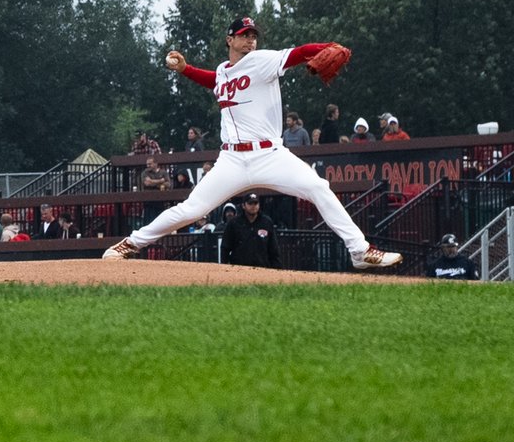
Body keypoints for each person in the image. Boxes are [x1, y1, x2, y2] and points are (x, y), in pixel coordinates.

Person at [105, 16, 403, 269]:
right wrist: (185, 69)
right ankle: (130, 243)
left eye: (253, 36)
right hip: (232, 160)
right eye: (244, 35)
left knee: (318, 187)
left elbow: (299, 53)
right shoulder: (224, 71)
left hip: (270, 155)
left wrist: (326, 47)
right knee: (191, 210)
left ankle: (360, 251)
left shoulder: (262, 61)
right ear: (230, 40)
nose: (250, 41)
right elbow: (215, 80)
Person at [219, 192, 281, 268]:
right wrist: (225, 267)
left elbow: (273, 249)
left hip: (262, 269)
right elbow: (225, 247)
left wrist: (276, 268)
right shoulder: (234, 223)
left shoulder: (267, 222)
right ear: (243, 205)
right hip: (239, 269)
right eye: (250, 203)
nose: (253, 206)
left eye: (255, 203)